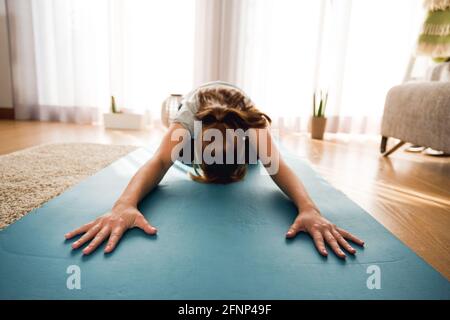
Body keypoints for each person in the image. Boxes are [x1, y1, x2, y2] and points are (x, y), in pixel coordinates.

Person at [65, 81, 364, 258]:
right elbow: (158, 161)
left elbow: (277, 165)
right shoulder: (189, 122)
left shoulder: (252, 126)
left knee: (260, 151)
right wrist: (123, 205)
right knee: (172, 147)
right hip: (199, 103)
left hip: (236, 110)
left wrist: (309, 208)